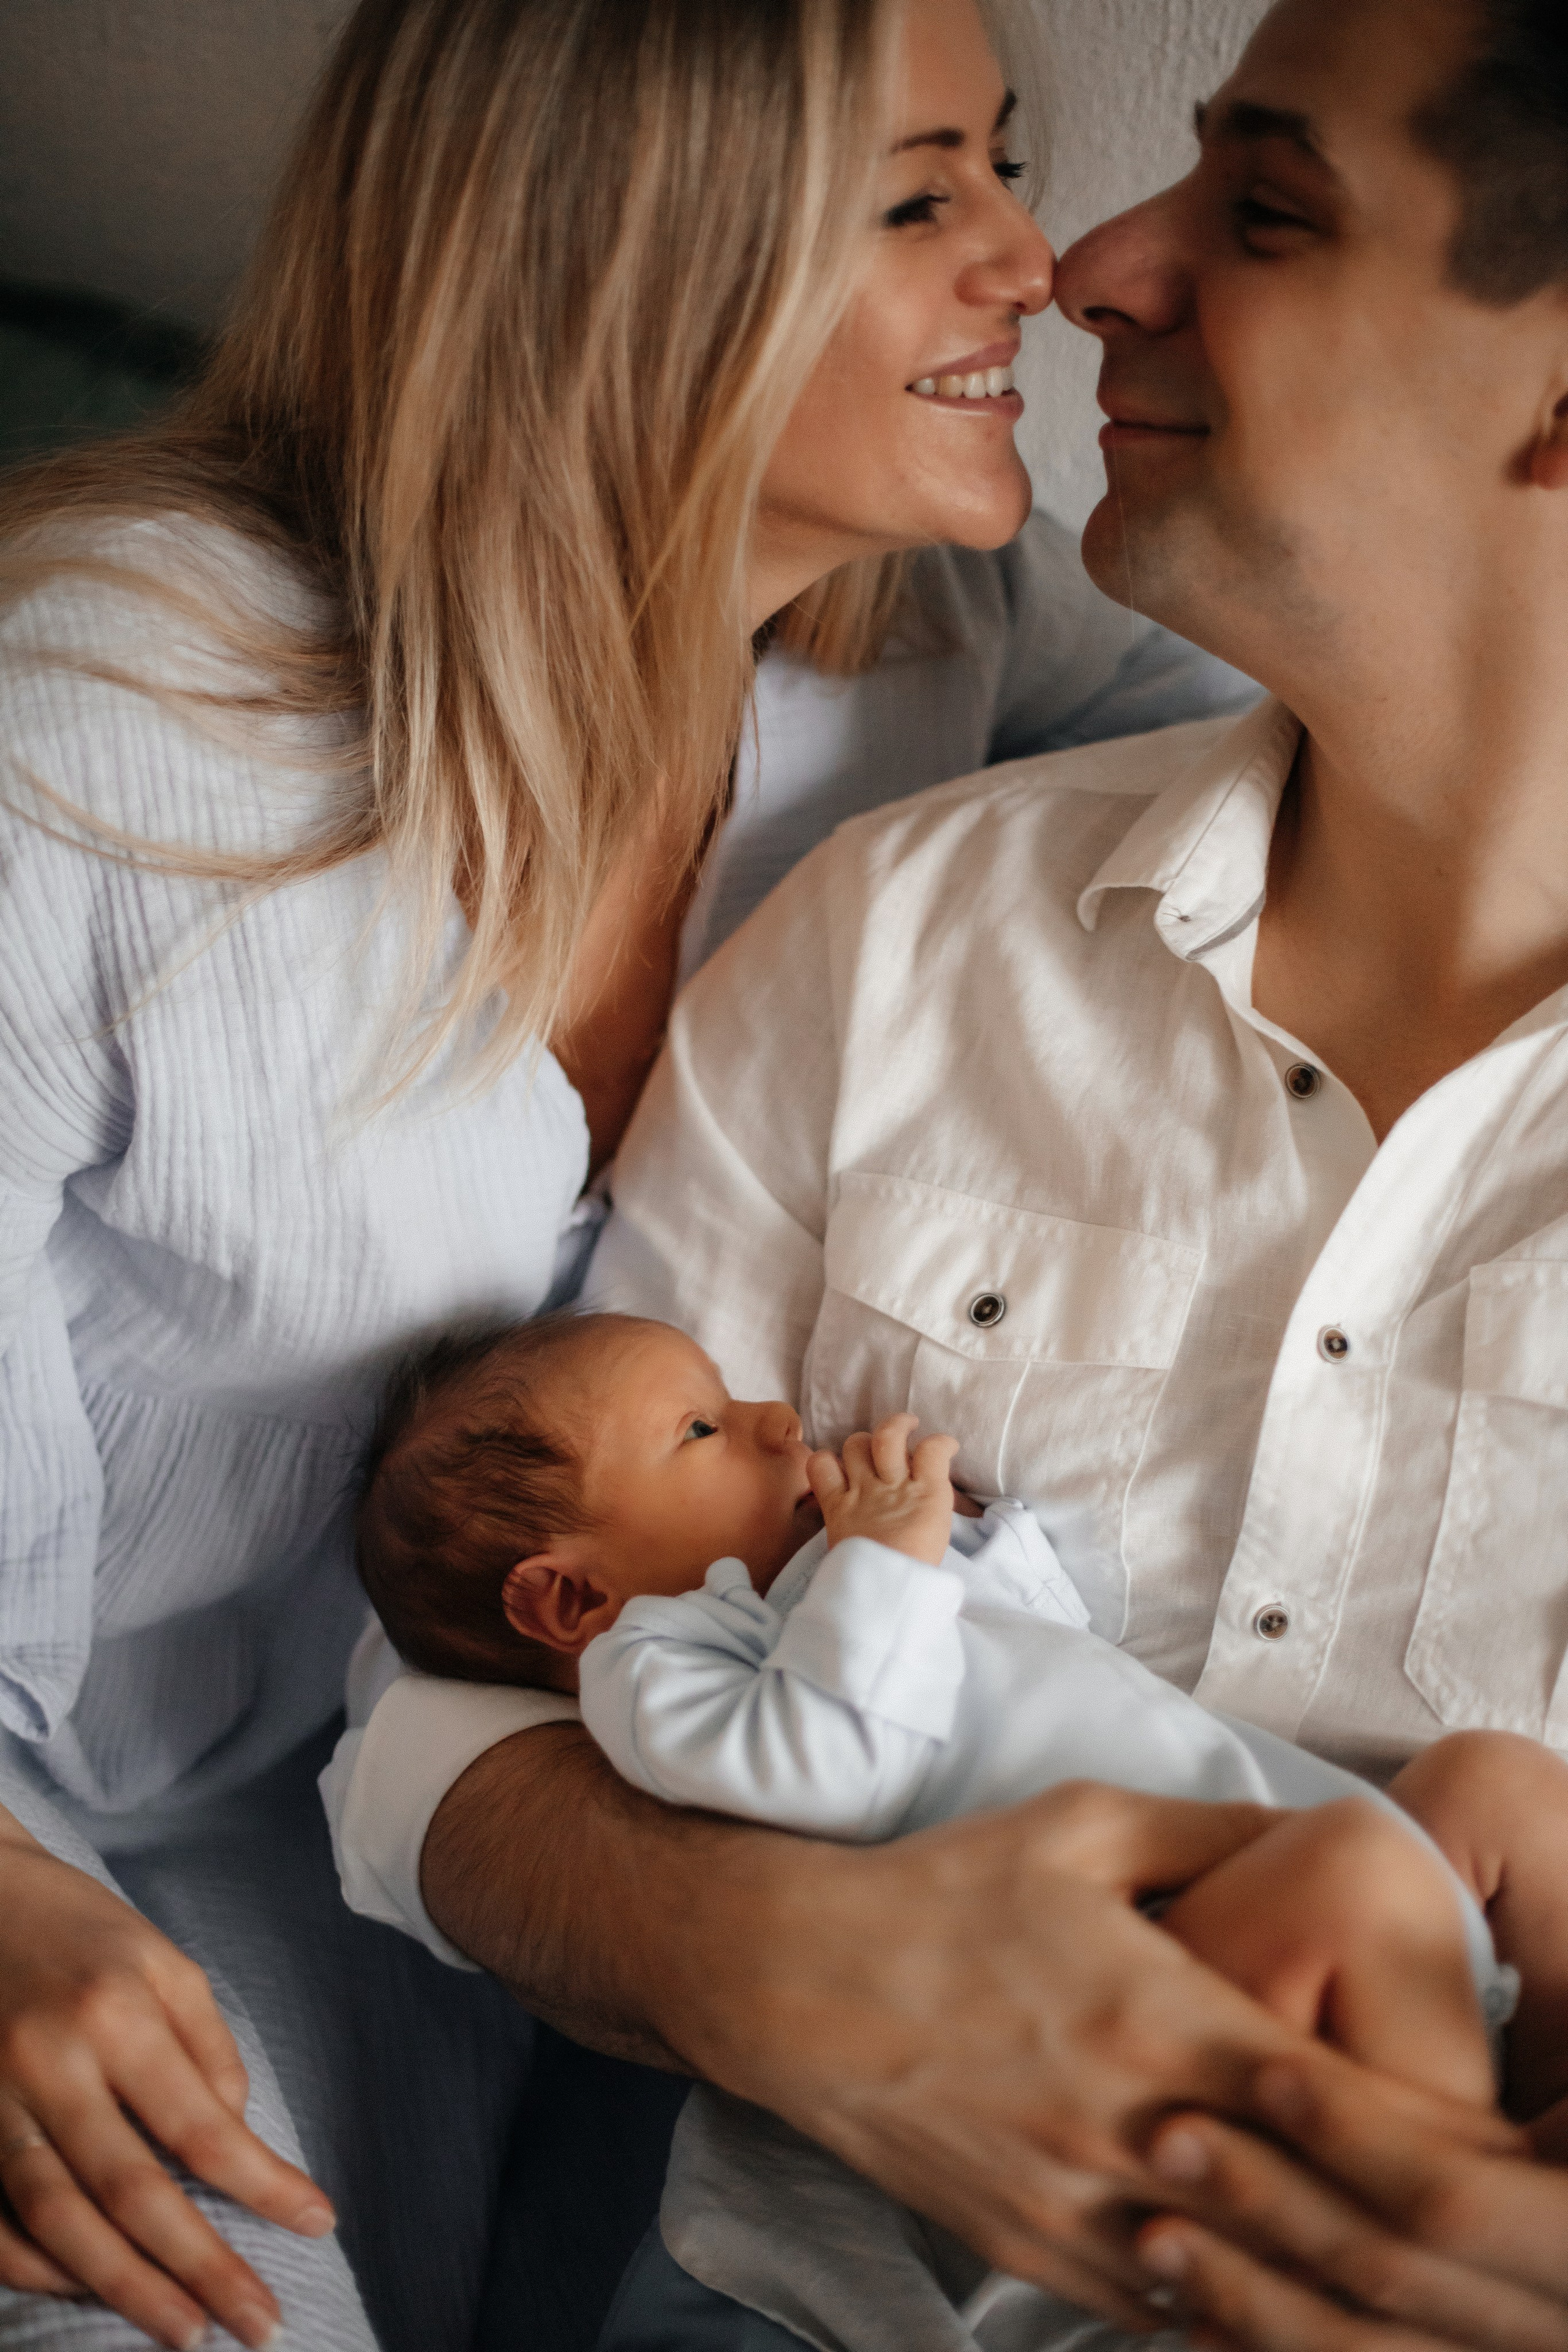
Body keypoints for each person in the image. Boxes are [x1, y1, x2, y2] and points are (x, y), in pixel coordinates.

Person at [0, 0, 1252, 2345]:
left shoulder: (927, 652)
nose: (1039, 259)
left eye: (1004, 164)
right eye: (923, 197)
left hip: (509, 1809)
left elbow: (1320, 744)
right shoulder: (104, 717)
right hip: (61, 1827)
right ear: (620, 260)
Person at [326, 1, 1568, 2348]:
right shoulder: (893, 937)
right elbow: (449, 1695)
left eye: (1266, 212)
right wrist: (741, 1946)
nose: (1092, 264)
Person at [350, 1306, 1568, 2348]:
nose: (776, 1418)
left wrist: (965, 1529)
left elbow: (1053, 1635)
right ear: (570, 1596)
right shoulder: (666, 1659)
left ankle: (1500, 2191)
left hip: (1275, 1876)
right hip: (1140, 1959)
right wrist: (884, 1559)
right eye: (699, 1431)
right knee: (1358, 1876)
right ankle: (1438, 2240)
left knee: (1498, 1783)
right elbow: (832, 1768)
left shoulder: (827, 1581)